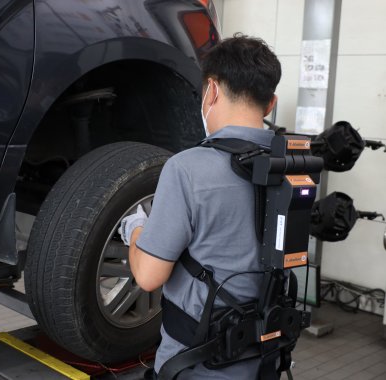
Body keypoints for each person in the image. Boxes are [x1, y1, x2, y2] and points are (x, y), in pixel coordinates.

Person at [118, 34, 281, 379]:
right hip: (266, 358)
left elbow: (148, 277)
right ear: (271, 104)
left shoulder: (188, 168)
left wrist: (135, 230)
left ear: (212, 91)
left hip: (197, 363)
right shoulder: (294, 168)